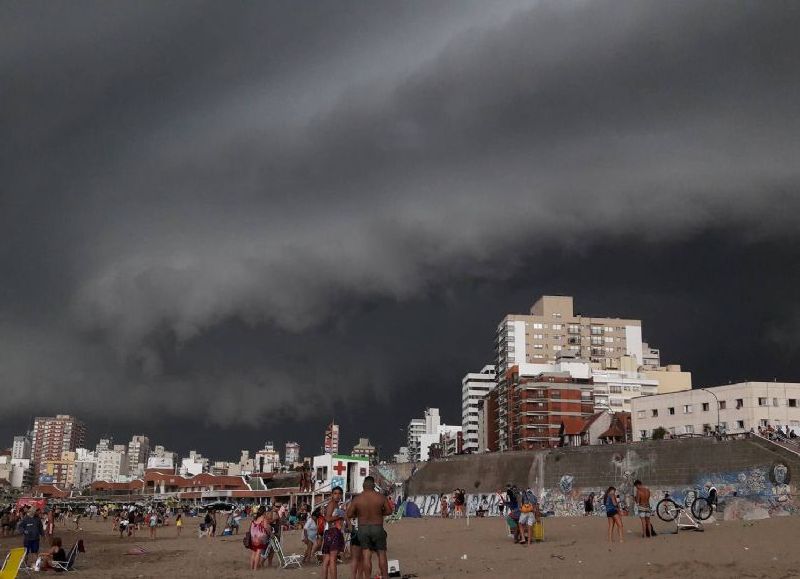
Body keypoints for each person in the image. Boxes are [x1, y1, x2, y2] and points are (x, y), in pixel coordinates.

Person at [346, 476, 391, 579]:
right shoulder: (380, 497)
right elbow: (389, 511)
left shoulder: (358, 499)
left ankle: (367, 577)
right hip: (377, 527)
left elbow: (349, 514)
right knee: (381, 553)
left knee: (366, 555)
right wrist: (379, 513)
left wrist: (359, 514)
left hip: (363, 528)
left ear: (363, 486)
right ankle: (385, 576)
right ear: (374, 485)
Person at [322, 486, 345, 579]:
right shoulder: (332, 504)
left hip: (329, 532)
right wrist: (340, 517)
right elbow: (327, 518)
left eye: (339, 493)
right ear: (332, 494)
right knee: (332, 559)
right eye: (335, 493)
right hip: (333, 532)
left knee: (327, 559)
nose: (337, 495)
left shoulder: (335, 504)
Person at [248, 506, 270, 571]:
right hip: (260, 537)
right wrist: (270, 533)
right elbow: (266, 527)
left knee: (253, 552)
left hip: (253, 537)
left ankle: (251, 568)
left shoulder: (255, 518)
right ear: (264, 512)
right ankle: (255, 568)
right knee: (258, 552)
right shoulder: (263, 518)